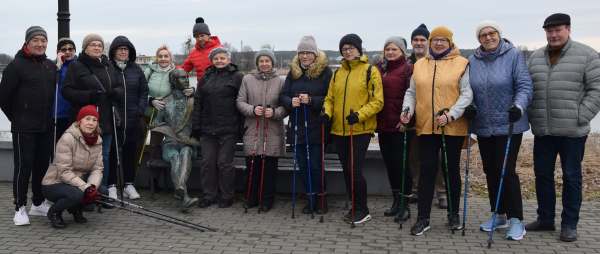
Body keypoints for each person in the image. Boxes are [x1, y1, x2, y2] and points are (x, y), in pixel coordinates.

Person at [525, 13, 600, 242]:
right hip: (543, 130)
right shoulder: (536, 57)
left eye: (558, 30)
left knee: (571, 178)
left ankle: (569, 224)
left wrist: (581, 115)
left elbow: (596, 90)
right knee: (542, 176)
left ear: (568, 29)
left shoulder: (587, 55)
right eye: (549, 31)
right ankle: (545, 218)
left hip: (572, 132)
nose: (553, 35)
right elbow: (527, 89)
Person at [401, 26, 473, 236]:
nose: (439, 43)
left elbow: (467, 94)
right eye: (435, 40)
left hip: (452, 126)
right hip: (426, 125)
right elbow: (411, 93)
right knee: (427, 171)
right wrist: (407, 110)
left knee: (451, 171)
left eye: (443, 40)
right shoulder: (420, 64)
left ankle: (453, 215)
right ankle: (423, 218)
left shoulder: (462, 63)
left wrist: (451, 114)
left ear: (450, 42)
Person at [465, 20, 533, 241]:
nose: (488, 37)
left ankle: (517, 221)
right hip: (484, 126)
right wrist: (471, 109)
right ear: (479, 39)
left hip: (509, 124)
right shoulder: (472, 61)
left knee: (506, 171)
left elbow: (524, 85)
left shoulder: (514, 55)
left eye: (492, 33)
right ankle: (499, 214)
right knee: (490, 170)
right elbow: (469, 91)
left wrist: (519, 107)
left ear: (499, 34)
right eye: (483, 35)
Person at [321, 34, 384, 224]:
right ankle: (353, 203)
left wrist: (359, 115)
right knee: (346, 169)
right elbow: (330, 98)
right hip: (339, 129)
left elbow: (377, 101)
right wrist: (326, 113)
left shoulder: (370, 71)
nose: (348, 52)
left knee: (354, 169)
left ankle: (363, 209)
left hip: (359, 129)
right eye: (344, 49)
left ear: (359, 49)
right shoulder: (338, 73)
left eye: (351, 48)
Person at [0, 26, 56, 225]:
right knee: (24, 168)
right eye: (36, 40)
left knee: (43, 166)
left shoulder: (49, 65)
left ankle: (38, 204)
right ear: (27, 42)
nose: (40, 44)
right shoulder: (16, 65)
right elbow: (4, 98)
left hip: (46, 126)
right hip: (24, 127)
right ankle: (20, 207)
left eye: (43, 40)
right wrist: (18, 118)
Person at [62, 34, 124, 188]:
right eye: (93, 45)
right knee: (83, 159)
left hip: (106, 120)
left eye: (99, 45)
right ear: (85, 48)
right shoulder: (76, 66)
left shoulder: (108, 65)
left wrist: (116, 92)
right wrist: (88, 96)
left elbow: (120, 87)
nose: (97, 48)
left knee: (103, 157)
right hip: (85, 122)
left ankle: (100, 192)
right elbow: (67, 92)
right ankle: (82, 193)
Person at [280, 35, 333, 214]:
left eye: (308, 53)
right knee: (303, 165)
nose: (304, 56)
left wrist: (312, 100)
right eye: (301, 52)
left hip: (317, 126)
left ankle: (322, 198)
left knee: (317, 165)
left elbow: (331, 98)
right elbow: (283, 94)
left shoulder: (326, 72)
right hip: (297, 126)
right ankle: (310, 198)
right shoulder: (293, 72)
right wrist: (290, 102)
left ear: (315, 54)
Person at [237, 43, 287, 212]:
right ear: (257, 63)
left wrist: (274, 112)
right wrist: (252, 110)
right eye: (261, 61)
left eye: (267, 61)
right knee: (253, 167)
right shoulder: (247, 80)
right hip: (252, 130)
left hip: (272, 132)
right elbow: (240, 102)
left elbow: (285, 107)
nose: (264, 64)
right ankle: (250, 198)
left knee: (269, 170)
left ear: (272, 62)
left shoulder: (281, 82)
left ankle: (266, 200)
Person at [41, 106, 110, 229]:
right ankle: (54, 212)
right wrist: (85, 187)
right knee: (77, 194)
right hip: (54, 183)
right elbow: (64, 171)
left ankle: (76, 208)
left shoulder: (97, 140)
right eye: (87, 119)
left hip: (75, 183)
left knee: (102, 192)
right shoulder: (67, 138)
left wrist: (92, 186)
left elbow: (97, 169)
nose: (91, 123)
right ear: (79, 121)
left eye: (94, 120)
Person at [192, 47, 244, 208]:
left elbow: (242, 101)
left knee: (224, 163)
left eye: (222, 58)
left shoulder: (237, 77)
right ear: (212, 60)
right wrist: (196, 125)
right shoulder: (206, 77)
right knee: (207, 163)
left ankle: (227, 196)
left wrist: (241, 126)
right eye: (216, 58)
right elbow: (198, 102)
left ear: (229, 60)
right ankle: (209, 196)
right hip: (208, 129)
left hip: (229, 128)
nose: (219, 61)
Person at [407, 24, 448, 209]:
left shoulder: (437, 62)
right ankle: (417, 191)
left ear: (429, 43)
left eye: (422, 40)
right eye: (415, 39)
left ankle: (442, 194)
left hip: (435, 121)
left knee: (438, 159)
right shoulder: (407, 64)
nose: (419, 43)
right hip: (412, 120)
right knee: (414, 158)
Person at [375, 36, 414, 223]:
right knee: (390, 165)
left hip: (400, 125)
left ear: (402, 51)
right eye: (387, 49)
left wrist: (407, 119)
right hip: (383, 125)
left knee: (402, 165)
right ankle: (396, 201)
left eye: (394, 49)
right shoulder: (379, 69)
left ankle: (405, 205)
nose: (390, 52)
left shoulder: (408, 69)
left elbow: (413, 95)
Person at [107, 36, 149, 200]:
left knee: (130, 152)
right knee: (110, 153)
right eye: (119, 49)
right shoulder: (108, 68)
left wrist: (139, 109)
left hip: (132, 117)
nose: (123, 52)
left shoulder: (137, 69)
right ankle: (111, 186)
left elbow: (143, 91)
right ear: (114, 52)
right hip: (113, 118)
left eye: (126, 49)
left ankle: (128, 184)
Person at [141, 45, 194, 173]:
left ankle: (154, 178)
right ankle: (133, 179)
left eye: (166, 56)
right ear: (156, 58)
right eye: (160, 56)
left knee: (155, 146)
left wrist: (193, 90)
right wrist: (150, 100)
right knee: (138, 143)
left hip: (162, 115)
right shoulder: (149, 72)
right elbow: (140, 91)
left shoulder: (174, 72)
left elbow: (185, 88)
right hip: (146, 112)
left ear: (170, 58)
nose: (163, 59)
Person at [180, 17, 224, 83]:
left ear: (208, 35)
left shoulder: (220, 49)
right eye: (197, 37)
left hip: (219, 88)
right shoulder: (193, 53)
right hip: (201, 90)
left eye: (202, 35)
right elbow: (183, 69)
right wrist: (168, 67)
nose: (200, 39)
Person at [54, 38, 78, 140]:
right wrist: (58, 66)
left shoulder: (80, 65)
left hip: (76, 111)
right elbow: (52, 83)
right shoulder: (54, 67)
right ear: (58, 51)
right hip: (59, 112)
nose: (67, 52)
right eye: (63, 49)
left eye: (70, 49)